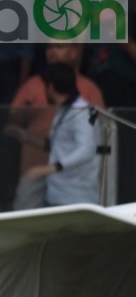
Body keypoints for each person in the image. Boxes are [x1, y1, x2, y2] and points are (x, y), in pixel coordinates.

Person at [25, 64, 100, 207]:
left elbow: (86, 149)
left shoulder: (84, 111)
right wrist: (26, 138)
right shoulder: (64, 110)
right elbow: (59, 146)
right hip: (57, 193)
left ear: (51, 87)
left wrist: (48, 169)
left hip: (77, 196)